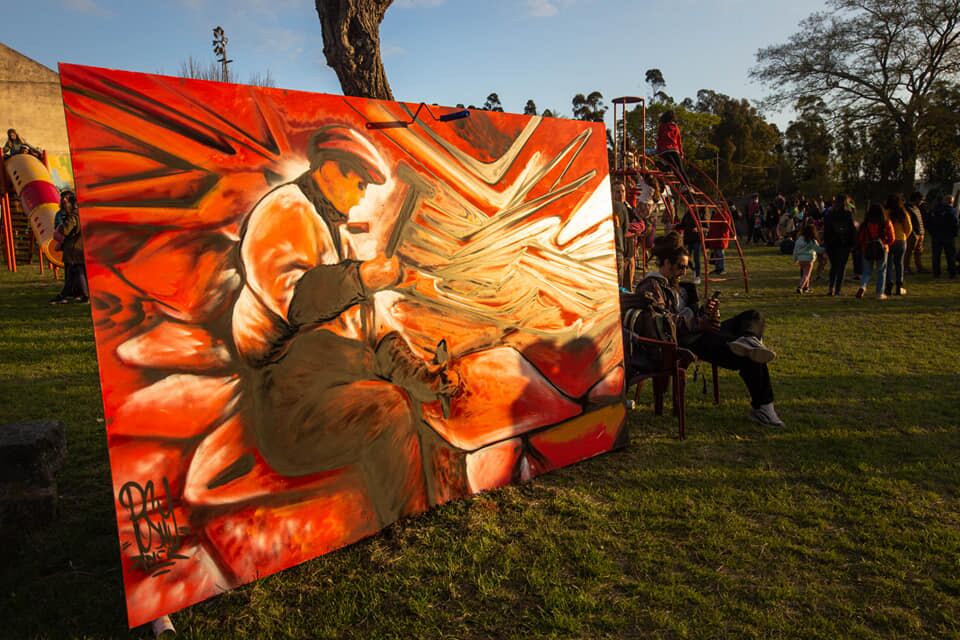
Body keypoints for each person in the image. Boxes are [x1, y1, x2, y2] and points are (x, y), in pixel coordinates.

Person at [232, 125, 460, 525]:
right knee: (388, 409)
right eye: (357, 184)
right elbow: (299, 302)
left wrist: (421, 375)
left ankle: (431, 515)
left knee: (416, 410)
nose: (361, 197)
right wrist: (360, 280)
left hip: (335, 382)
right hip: (291, 403)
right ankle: (412, 527)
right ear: (329, 169)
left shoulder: (343, 241)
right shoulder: (284, 211)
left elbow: (376, 332)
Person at [631, 232, 784, 427]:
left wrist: (706, 312)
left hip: (700, 330)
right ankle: (764, 408)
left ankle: (748, 339)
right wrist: (698, 323)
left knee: (753, 315)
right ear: (667, 263)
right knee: (752, 355)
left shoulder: (680, 287)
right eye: (680, 266)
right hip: (687, 340)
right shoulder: (652, 286)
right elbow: (661, 323)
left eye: (687, 267)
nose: (684, 272)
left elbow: (691, 314)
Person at [50, 190, 88, 304]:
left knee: (77, 271)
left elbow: (66, 230)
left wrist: (61, 226)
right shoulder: (78, 213)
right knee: (74, 273)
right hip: (77, 248)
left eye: (64, 201)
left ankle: (84, 295)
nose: (62, 203)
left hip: (74, 249)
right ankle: (65, 295)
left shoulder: (73, 216)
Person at [855, 203, 895, 300]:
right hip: (882, 249)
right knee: (881, 271)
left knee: (867, 271)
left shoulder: (866, 224)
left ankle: (862, 287)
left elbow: (860, 238)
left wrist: (863, 245)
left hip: (867, 248)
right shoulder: (886, 222)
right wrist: (885, 244)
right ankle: (879, 293)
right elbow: (892, 238)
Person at [823, 194, 857, 296]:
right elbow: (852, 230)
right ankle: (837, 289)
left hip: (832, 243)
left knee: (834, 266)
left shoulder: (829, 214)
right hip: (844, 243)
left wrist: (826, 243)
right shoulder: (848, 214)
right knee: (841, 267)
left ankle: (830, 288)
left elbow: (826, 230)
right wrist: (853, 243)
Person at [883, 194, 912, 296]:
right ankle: (899, 285)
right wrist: (904, 236)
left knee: (888, 264)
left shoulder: (886, 213)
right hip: (901, 240)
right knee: (899, 263)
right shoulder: (903, 213)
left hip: (888, 240)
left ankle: (888, 284)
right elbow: (909, 228)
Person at [655, 111, 691, 186]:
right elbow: (679, 141)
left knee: (674, 168)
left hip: (665, 150)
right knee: (680, 169)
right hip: (675, 150)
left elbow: (659, 139)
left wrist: (658, 151)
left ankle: (666, 168)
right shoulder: (676, 127)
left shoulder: (662, 126)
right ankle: (688, 184)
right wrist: (681, 153)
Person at [928, 193, 959, 279]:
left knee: (936, 255)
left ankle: (936, 273)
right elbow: (955, 223)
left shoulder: (934, 210)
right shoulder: (951, 210)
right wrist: (954, 233)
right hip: (948, 236)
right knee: (950, 255)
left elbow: (928, 222)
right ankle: (952, 272)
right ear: (950, 202)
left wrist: (932, 232)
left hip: (936, 236)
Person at [612, 182, 634, 288]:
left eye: (622, 191)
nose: (621, 194)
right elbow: (626, 230)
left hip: (621, 250)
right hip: (618, 249)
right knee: (618, 284)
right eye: (617, 192)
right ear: (612, 193)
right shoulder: (621, 207)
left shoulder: (627, 207)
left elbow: (641, 223)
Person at [792, 223, 822, 294]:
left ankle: (806, 288)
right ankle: (800, 287)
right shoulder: (812, 241)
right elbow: (818, 249)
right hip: (809, 259)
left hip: (800, 259)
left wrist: (795, 259)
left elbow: (795, 250)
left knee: (805, 273)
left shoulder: (799, 239)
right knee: (806, 274)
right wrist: (825, 249)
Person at [679, 207, 703, 284]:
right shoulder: (687, 214)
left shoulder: (700, 215)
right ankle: (694, 270)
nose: (691, 208)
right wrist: (675, 226)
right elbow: (682, 225)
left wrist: (699, 228)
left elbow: (706, 227)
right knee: (686, 258)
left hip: (696, 240)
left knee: (696, 258)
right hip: (688, 240)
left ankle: (697, 276)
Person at [905, 191, 926, 274]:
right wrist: (912, 232)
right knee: (909, 252)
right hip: (913, 234)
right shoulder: (907, 207)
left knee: (918, 252)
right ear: (917, 199)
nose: (922, 202)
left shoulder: (916, 207)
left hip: (920, 233)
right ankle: (906, 268)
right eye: (921, 200)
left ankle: (919, 267)